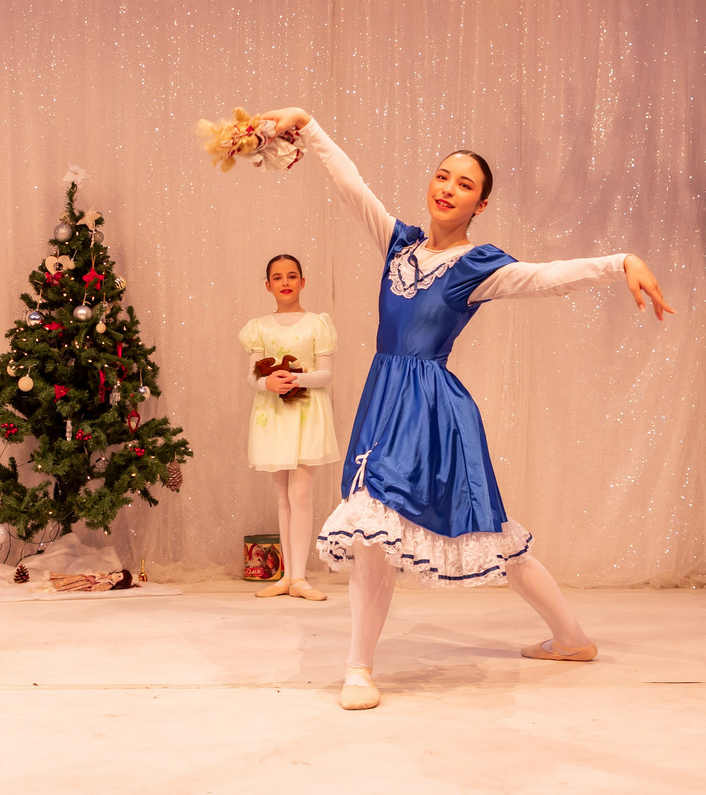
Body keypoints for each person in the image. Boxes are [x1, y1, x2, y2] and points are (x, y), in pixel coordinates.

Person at [259, 106, 674, 710]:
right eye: (442, 176)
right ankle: (365, 665)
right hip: (384, 401)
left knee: (479, 529)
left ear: (480, 204)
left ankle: (566, 640)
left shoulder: (478, 267)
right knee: (377, 522)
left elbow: (544, 277)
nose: (448, 188)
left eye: (465, 184)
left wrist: (620, 264)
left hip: (432, 411)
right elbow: (352, 186)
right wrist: (310, 125)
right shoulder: (398, 242)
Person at [239, 254, 341, 600]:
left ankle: (300, 577)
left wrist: (296, 378)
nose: (285, 282)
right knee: (283, 495)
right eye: (278, 277)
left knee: (300, 493)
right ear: (268, 285)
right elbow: (253, 375)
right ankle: (285, 577)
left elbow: (325, 374)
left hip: (307, 412)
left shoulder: (317, 324)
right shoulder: (259, 327)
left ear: (302, 281)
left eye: (292, 276)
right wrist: (266, 383)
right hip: (273, 415)